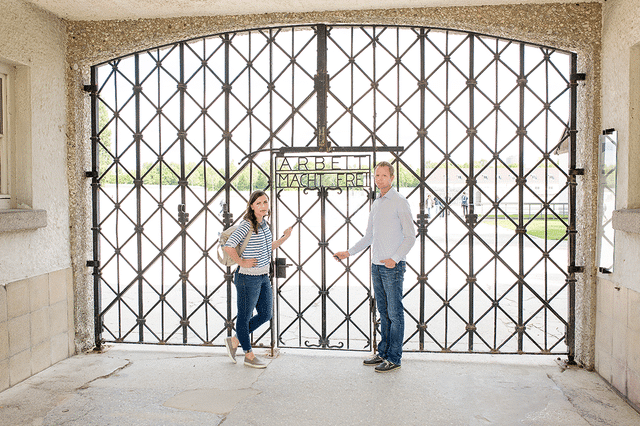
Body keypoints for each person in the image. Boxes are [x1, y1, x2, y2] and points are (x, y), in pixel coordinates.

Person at [334, 161, 415, 373]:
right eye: (377, 175)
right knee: (384, 311)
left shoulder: (399, 202)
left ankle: (394, 358)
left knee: (395, 313)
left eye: (383, 175)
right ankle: (383, 353)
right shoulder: (377, 203)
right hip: (376, 266)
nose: (379, 179)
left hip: (392, 267)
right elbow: (369, 236)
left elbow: (410, 236)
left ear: (392, 178)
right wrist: (349, 252)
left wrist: (395, 258)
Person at [223, 190, 292, 369]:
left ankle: (235, 340)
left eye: (265, 202)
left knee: (265, 314)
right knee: (244, 317)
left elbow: (268, 247)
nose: (263, 206)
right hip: (247, 278)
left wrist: (284, 238)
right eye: (259, 203)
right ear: (252, 206)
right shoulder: (246, 225)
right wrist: (242, 262)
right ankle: (249, 354)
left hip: (262, 276)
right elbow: (228, 246)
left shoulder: (264, 225)